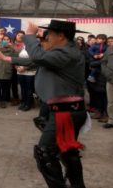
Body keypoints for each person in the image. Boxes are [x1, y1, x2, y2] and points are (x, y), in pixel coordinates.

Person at [24, 20, 88, 188]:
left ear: (61, 36)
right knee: (66, 151)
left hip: (66, 111)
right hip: (66, 110)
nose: (47, 38)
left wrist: (30, 36)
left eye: (50, 35)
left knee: (45, 152)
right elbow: (38, 60)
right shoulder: (67, 51)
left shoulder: (66, 53)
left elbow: (38, 56)